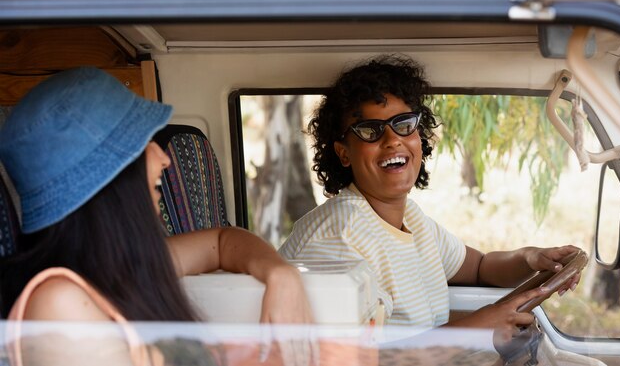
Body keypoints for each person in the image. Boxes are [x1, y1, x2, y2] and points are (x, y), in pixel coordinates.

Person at [0, 67, 313, 363]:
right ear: (107, 178)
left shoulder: (120, 264)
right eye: (144, 143)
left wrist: (280, 274)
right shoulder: (60, 304)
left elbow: (221, 240)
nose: (164, 159)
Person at [279, 54, 581, 329]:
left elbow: (479, 267)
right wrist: (478, 327)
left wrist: (531, 258)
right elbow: (352, 358)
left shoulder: (411, 218)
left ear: (419, 137)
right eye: (370, 130)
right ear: (344, 153)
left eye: (404, 124)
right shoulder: (337, 240)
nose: (392, 140)